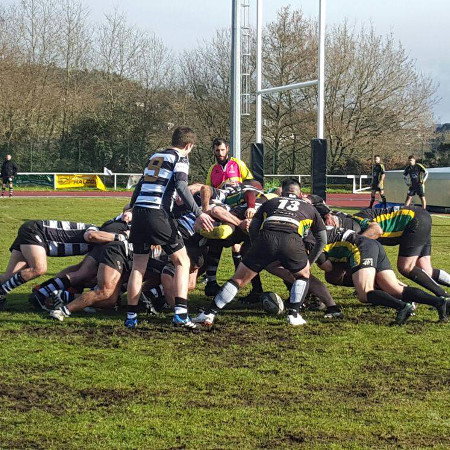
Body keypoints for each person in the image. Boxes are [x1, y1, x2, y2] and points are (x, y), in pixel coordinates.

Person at [193, 178, 327, 327]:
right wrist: (310, 261)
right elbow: (322, 239)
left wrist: (256, 245)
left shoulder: (270, 202)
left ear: (282, 192)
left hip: (266, 239)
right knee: (302, 275)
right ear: (300, 193)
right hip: (292, 241)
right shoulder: (310, 208)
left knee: (238, 280)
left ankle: (209, 313)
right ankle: (294, 314)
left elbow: (254, 227)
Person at [125, 126, 214, 330]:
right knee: (182, 261)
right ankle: (181, 314)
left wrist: (132, 208)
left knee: (139, 266)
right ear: (188, 145)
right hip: (158, 213)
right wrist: (199, 212)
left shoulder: (155, 155)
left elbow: (139, 186)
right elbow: (182, 186)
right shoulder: (180, 158)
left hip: (139, 213)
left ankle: (131, 317)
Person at [317, 227, 449, 324]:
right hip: (371, 244)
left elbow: (327, 267)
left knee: (364, 293)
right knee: (395, 289)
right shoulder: (317, 228)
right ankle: (439, 301)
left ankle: (402, 307)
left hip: (360, 248)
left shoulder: (311, 239)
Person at [0, 219, 124, 309]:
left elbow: (77, 269)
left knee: (10, 276)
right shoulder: (94, 230)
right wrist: (120, 237)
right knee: (39, 269)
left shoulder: (97, 248)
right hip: (35, 232)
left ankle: (41, 291)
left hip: (33, 231)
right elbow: (91, 236)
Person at [352, 206, 450, 298]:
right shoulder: (353, 220)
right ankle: (443, 297)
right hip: (419, 216)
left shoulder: (354, 224)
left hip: (414, 219)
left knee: (406, 267)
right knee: (426, 269)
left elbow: (376, 231)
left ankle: (444, 297)